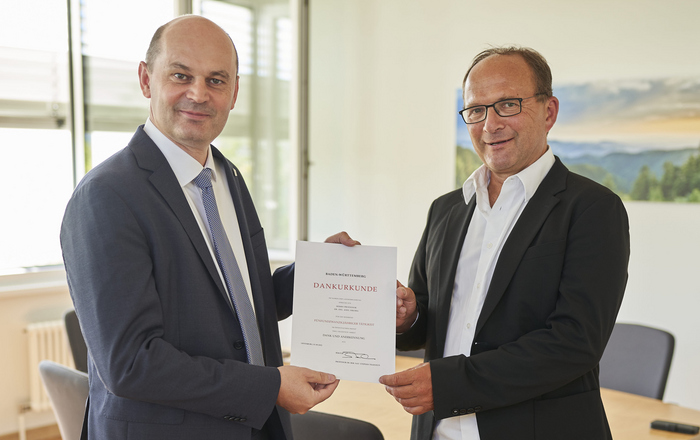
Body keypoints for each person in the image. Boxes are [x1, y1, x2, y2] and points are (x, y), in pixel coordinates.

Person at [61, 15, 357, 440]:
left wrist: (317, 273)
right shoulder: (106, 196)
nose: (198, 94)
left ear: (234, 93)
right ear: (146, 79)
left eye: (216, 80)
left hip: (254, 425)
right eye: (180, 75)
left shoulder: (226, 176)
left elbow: (235, 305)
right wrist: (272, 385)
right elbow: (131, 363)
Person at [379, 47, 630, 440]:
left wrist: (450, 383)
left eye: (507, 104)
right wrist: (408, 315)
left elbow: (574, 343)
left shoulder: (593, 209)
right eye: (475, 110)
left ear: (549, 112)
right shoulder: (446, 209)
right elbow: (428, 321)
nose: (489, 124)